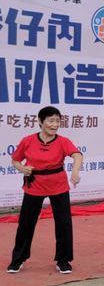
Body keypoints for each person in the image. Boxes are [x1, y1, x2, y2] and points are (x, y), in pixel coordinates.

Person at [7, 106, 83, 274]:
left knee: (63, 223)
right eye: (50, 121)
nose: (54, 124)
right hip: (34, 184)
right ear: (41, 122)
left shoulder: (63, 141)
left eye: (57, 121)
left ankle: (63, 260)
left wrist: (75, 172)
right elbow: (15, 160)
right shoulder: (28, 140)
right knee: (26, 223)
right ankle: (18, 259)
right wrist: (22, 168)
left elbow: (77, 155)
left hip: (58, 184)